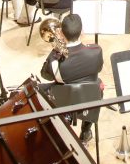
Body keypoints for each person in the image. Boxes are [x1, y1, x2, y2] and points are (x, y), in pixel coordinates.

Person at [40, 14, 104, 142]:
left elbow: (45, 74)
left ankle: (63, 122)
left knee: (40, 88)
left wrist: (54, 52)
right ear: (82, 32)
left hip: (65, 97)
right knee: (98, 82)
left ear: (61, 33)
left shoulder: (56, 59)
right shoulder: (96, 51)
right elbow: (99, 68)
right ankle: (86, 130)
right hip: (90, 95)